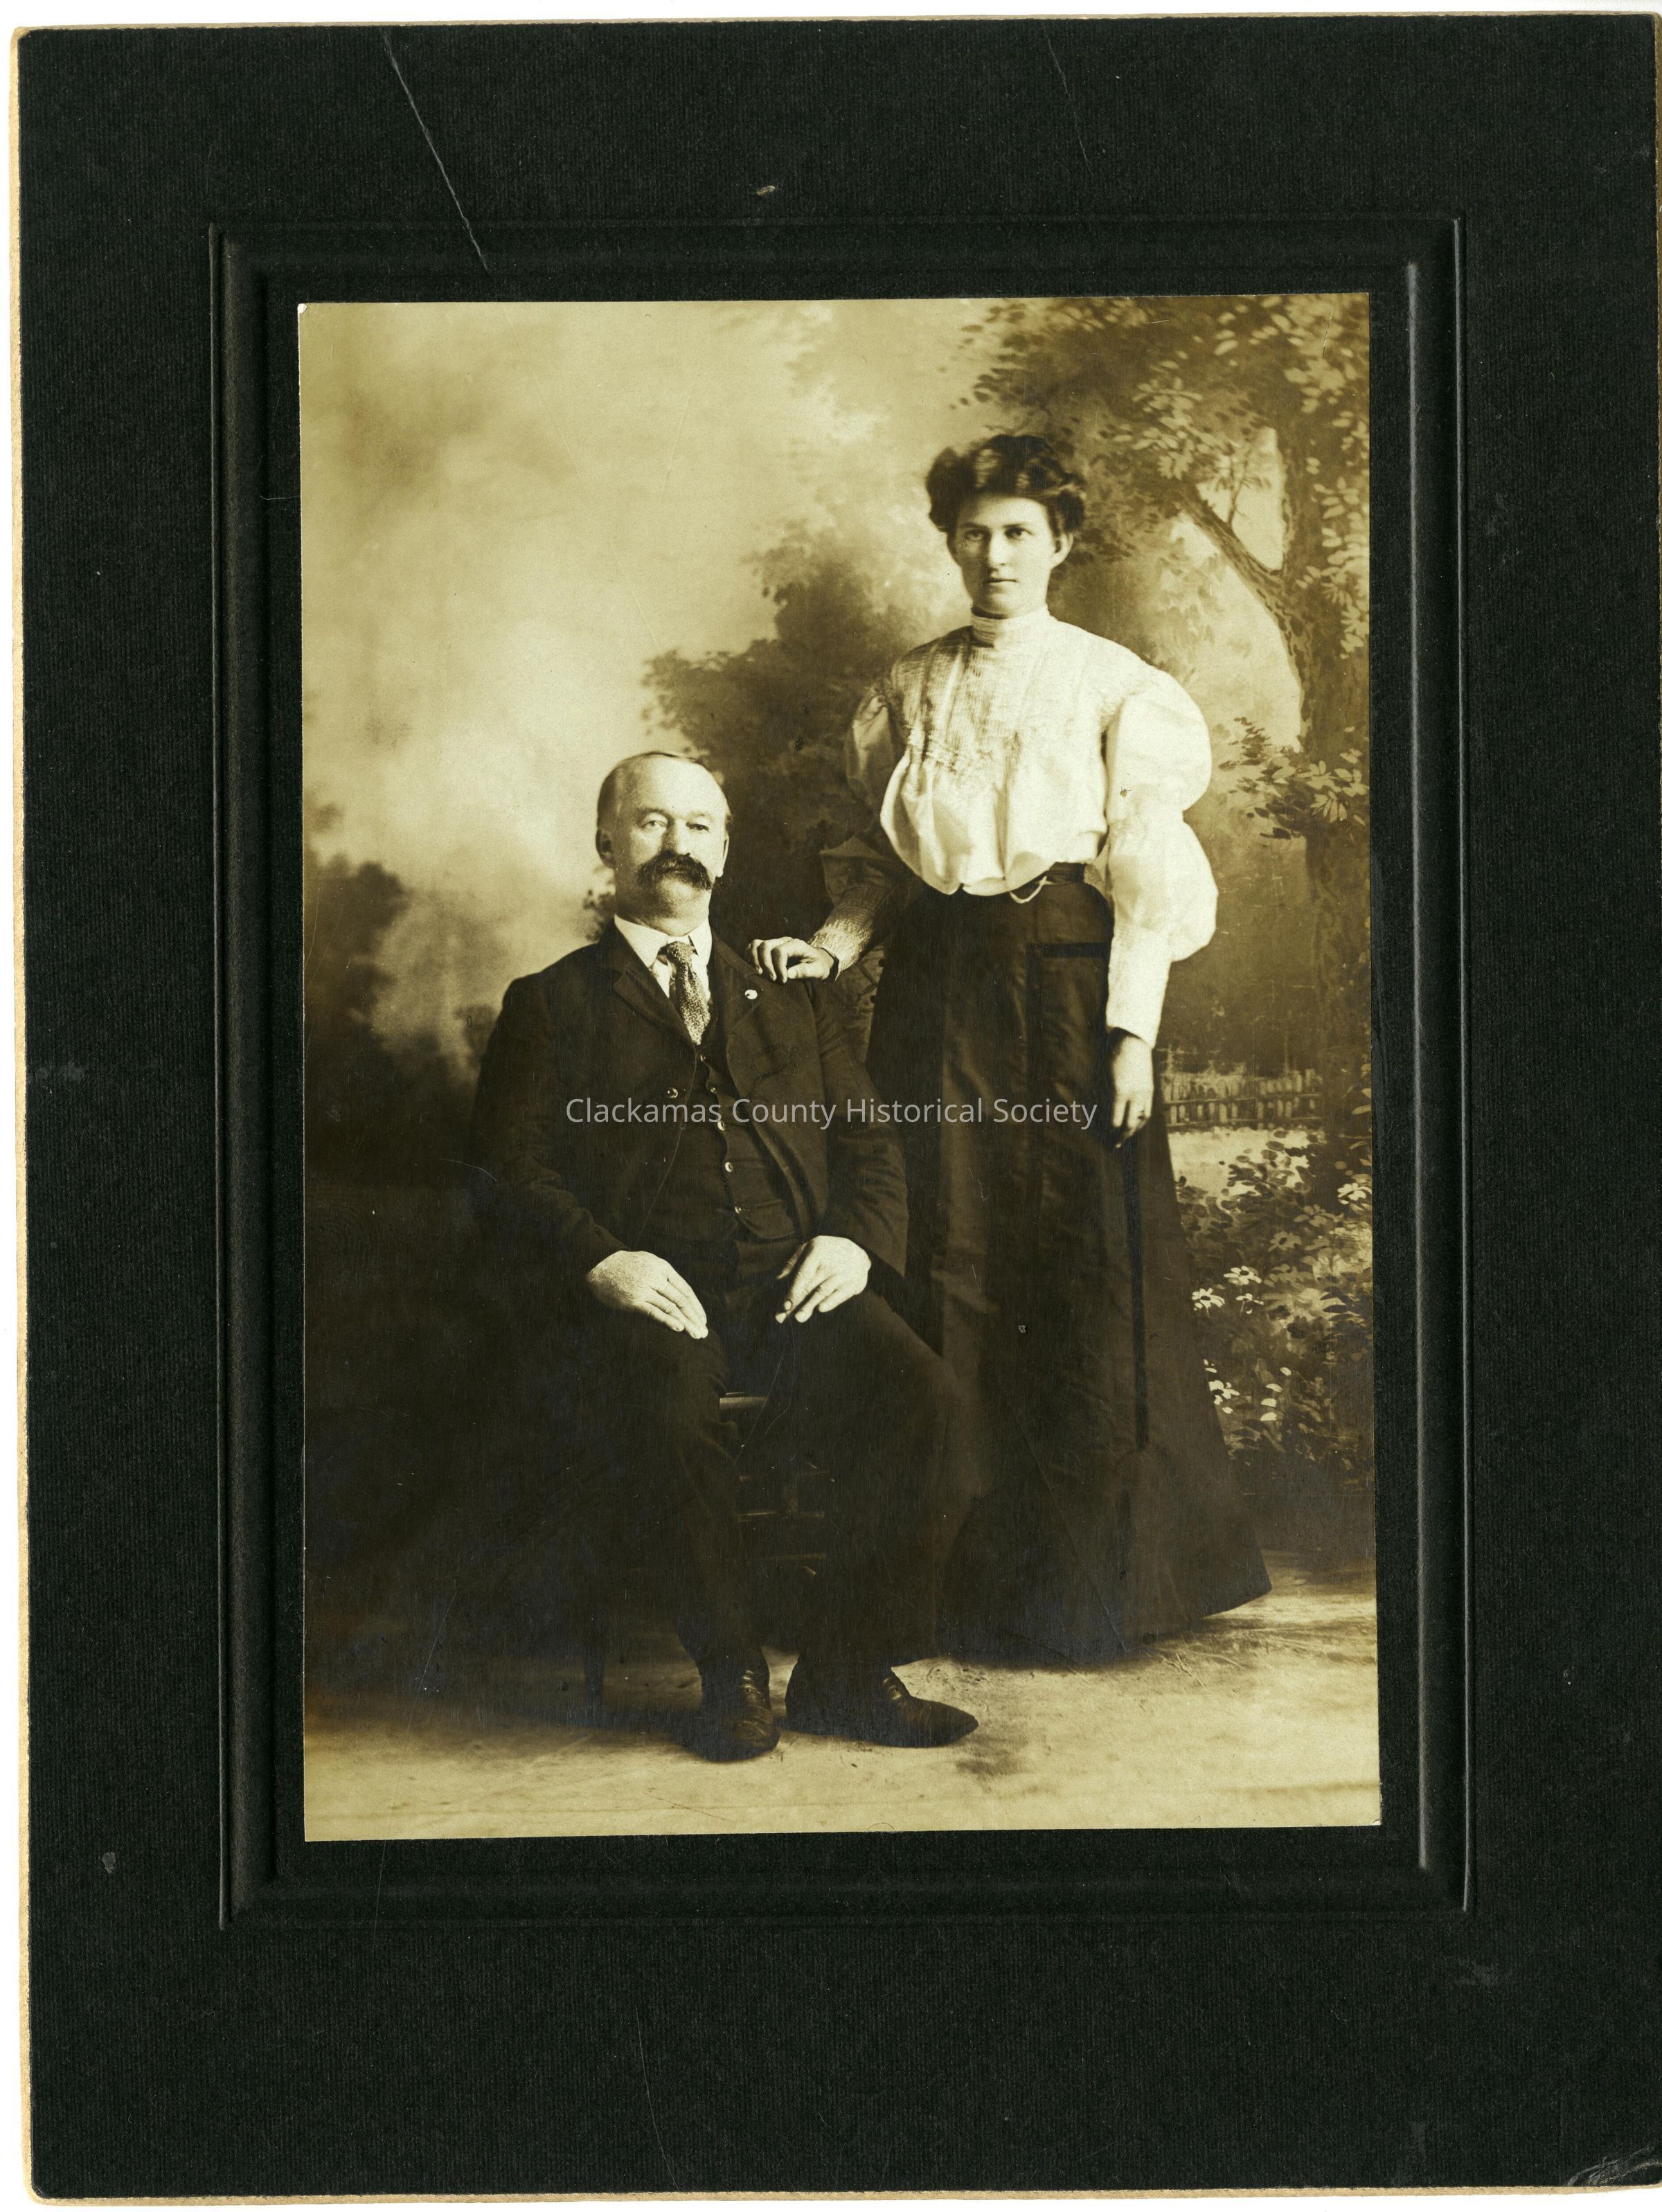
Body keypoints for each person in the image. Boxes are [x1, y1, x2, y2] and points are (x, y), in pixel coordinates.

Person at [749, 435, 1269, 1661]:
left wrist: (1132, 1036)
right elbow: (881, 868)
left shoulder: (1115, 685)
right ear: (949, 540)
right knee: (945, 1249)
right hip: (939, 987)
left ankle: (1088, 1595)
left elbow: (1143, 874)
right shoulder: (905, 689)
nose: (996, 554)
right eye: (975, 531)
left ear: (1061, 542)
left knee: (1082, 1261)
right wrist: (832, 947)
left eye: (1021, 532)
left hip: (1071, 985)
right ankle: (944, 1585)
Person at [469, 751, 976, 1762]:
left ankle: (846, 1669)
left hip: (796, 1289)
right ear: (607, 842)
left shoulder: (793, 993)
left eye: (699, 826)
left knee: (926, 1396)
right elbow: (507, 1171)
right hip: (654, 1298)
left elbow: (872, 1144)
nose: (678, 845)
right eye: (652, 822)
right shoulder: (552, 1002)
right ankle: (731, 1671)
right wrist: (602, 1264)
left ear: (727, 850)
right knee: (665, 1407)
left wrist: (853, 1242)